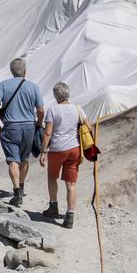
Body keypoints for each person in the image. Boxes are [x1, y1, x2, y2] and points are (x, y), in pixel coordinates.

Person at [0, 58, 45, 207]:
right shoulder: (33, 87)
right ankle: (21, 186)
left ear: (11, 71)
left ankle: (16, 192)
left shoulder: (3, 85)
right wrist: (39, 124)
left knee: (12, 159)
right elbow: (40, 109)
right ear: (25, 71)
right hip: (29, 127)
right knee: (24, 159)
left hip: (11, 127)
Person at [38, 81, 89, 228]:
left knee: (52, 176)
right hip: (74, 149)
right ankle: (70, 216)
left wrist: (43, 151)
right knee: (71, 184)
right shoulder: (77, 108)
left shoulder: (53, 111)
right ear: (68, 94)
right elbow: (89, 126)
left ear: (55, 96)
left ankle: (53, 206)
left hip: (57, 149)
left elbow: (48, 133)